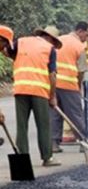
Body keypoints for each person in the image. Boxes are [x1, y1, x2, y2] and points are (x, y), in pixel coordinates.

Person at [8, 26, 63, 167]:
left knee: (22, 126)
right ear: (50, 38)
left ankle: (22, 160)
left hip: (21, 89)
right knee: (43, 125)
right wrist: (52, 96)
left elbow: (7, 51)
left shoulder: (21, 41)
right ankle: (47, 158)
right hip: (39, 91)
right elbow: (52, 75)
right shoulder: (49, 49)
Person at [50, 22, 88, 153]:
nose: (87, 38)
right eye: (86, 34)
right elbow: (82, 70)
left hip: (53, 83)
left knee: (55, 114)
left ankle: (54, 144)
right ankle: (84, 142)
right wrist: (78, 87)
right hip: (69, 84)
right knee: (75, 114)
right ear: (80, 31)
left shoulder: (59, 40)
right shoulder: (79, 46)